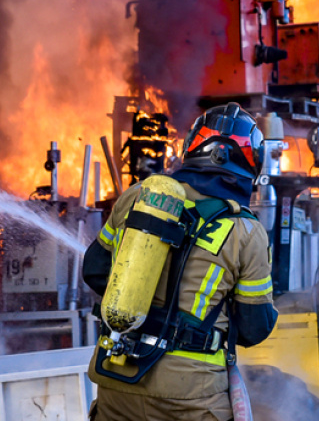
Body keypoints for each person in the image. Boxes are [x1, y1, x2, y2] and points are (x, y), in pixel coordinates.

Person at [83, 103, 278, 421]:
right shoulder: (246, 231)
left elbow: (94, 271)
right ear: (250, 163)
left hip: (117, 378)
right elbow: (254, 328)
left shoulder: (138, 198)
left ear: (192, 148)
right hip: (190, 396)